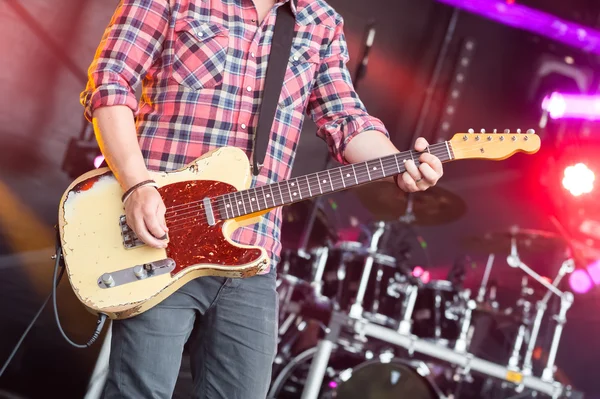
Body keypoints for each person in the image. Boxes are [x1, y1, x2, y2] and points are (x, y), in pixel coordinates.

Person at [80, 0, 443, 397]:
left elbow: (345, 121)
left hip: (251, 253)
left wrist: (399, 163)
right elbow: (110, 82)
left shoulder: (318, 21)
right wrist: (135, 185)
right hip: (162, 237)